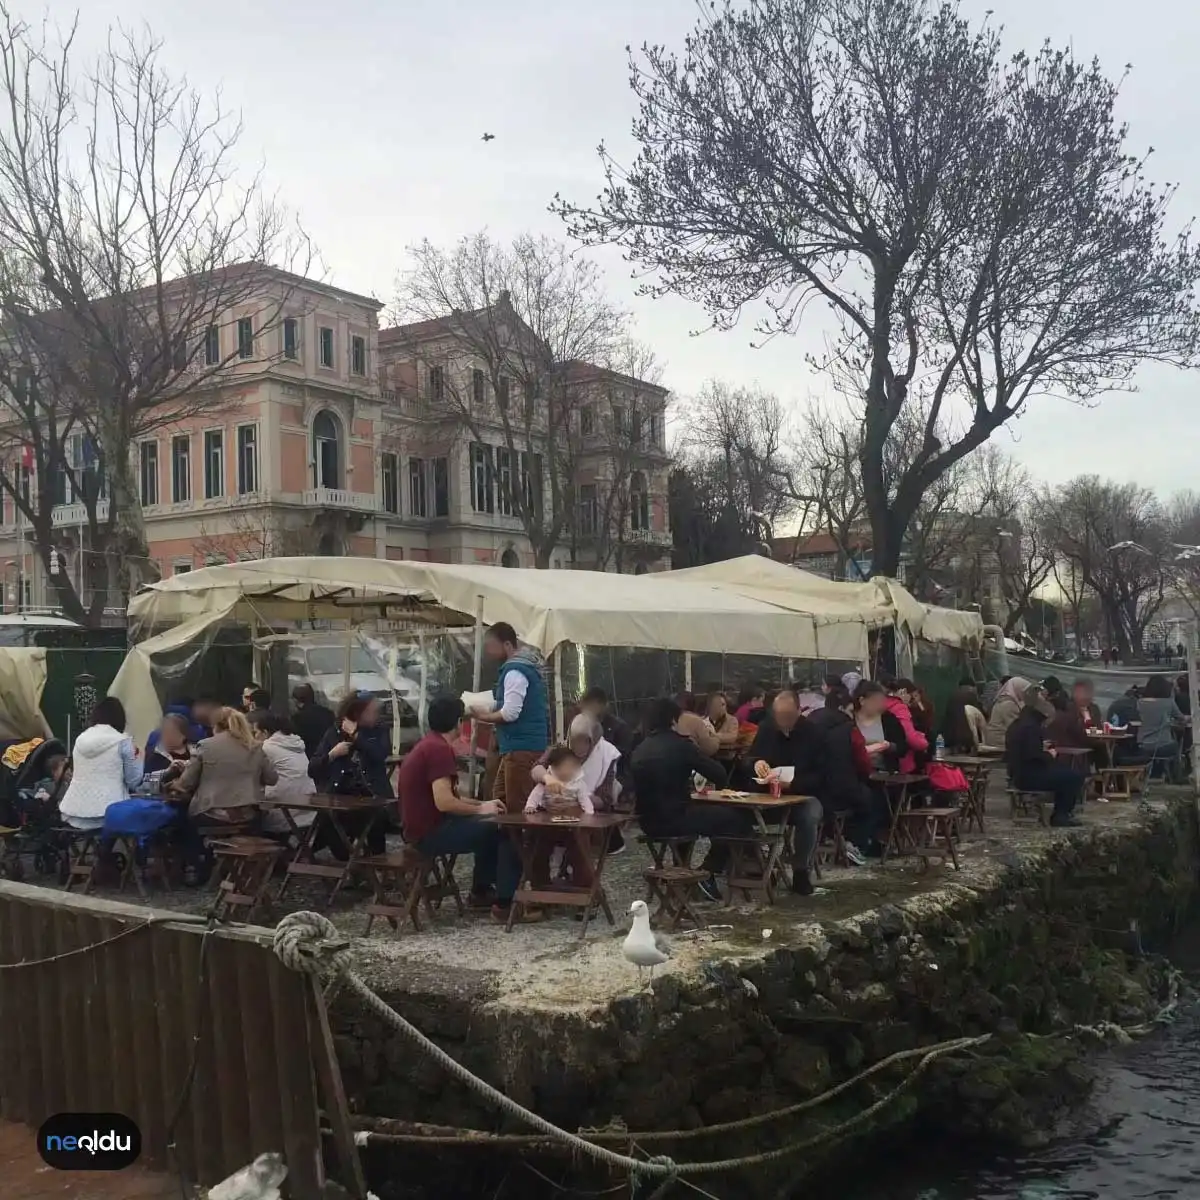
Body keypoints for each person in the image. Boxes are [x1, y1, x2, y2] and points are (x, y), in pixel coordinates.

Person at [399, 695, 531, 924]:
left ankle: (481, 890)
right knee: (505, 830)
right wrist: (481, 810)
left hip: (422, 827)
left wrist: (483, 805)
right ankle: (505, 902)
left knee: (490, 823)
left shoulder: (427, 744)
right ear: (459, 722)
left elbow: (451, 799)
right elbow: (445, 802)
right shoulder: (438, 750)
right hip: (430, 833)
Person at [630, 697, 747, 902]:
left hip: (647, 822)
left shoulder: (639, 749)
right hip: (676, 818)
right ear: (674, 720)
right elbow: (718, 774)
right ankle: (708, 872)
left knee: (691, 815)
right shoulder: (681, 745)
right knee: (735, 819)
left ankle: (682, 872)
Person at [743, 688, 824, 895]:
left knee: (811, 814)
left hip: (800, 796)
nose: (783, 721)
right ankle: (758, 864)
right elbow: (749, 759)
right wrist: (756, 764)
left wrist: (794, 783)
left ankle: (800, 869)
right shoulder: (767, 729)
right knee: (737, 813)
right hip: (768, 795)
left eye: (787, 716)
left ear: (799, 711)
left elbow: (823, 776)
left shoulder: (814, 734)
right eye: (779, 716)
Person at [471, 623, 550, 813]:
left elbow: (510, 713)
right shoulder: (521, 668)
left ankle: (525, 841)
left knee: (519, 806)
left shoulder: (515, 671)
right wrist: (487, 706)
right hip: (517, 746)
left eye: (491, 646)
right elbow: (510, 704)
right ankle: (508, 840)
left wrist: (482, 715)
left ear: (507, 645)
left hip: (521, 747)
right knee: (501, 799)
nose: (488, 652)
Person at [308, 694, 393, 855]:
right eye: (372, 711)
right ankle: (347, 863)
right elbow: (312, 769)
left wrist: (356, 735)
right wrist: (332, 755)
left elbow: (379, 754)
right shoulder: (334, 732)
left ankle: (375, 863)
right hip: (340, 796)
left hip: (373, 796)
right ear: (358, 713)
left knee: (375, 821)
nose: (377, 715)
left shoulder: (379, 730)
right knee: (328, 822)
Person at [805, 688, 877, 862]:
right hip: (840, 791)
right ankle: (857, 845)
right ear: (843, 708)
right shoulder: (849, 730)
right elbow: (863, 763)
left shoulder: (808, 722)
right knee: (870, 800)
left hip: (809, 791)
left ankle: (829, 838)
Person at [173, 707, 277, 825]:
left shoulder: (205, 745)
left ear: (216, 726)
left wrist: (174, 784)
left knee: (182, 826)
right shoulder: (255, 746)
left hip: (212, 814)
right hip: (249, 814)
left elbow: (187, 783)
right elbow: (272, 779)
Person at [59, 697, 144, 830]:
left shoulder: (80, 740)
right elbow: (134, 780)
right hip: (109, 814)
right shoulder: (123, 742)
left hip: (73, 813)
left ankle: (104, 850)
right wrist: (139, 757)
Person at [1005, 688, 1083, 827]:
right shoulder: (1030, 728)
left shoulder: (1019, 724)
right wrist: (1048, 754)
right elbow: (1033, 755)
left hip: (1018, 773)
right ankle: (1061, 815)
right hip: (1028, 776)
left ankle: (1060, 813)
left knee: (1065, 772)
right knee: (1073, 777)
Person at [251, 709, 317, 835]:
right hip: (307, 811)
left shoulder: (266, 747)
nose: (252, 737)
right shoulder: (295, 744)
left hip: (282, 813)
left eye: (255, 733)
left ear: (265, 733)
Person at [1137, 675, 1186, 781]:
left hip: (1143, 745)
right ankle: (1176, 777)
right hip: (1164, 745)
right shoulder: (1168, 703)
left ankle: (1155, 774)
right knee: (1176, 746)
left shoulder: (1140, 703)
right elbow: (1181, 718)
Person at [853, 681, 908, 772]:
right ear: (862, 701)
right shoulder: (849, 720)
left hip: (883, 774)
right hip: (856, 774)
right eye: (875, 701)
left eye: (882, 700)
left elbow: (902, 747)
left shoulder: (888, 719)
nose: (880, 705)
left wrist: (889, 746)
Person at [525, 746, 594, 814]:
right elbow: (536, 794)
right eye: (565, 766)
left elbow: (585, 800)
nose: (569, 771)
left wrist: (589, 813)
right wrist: (530, 806)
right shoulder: (547, 781)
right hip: (547, 813)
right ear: (554, 768)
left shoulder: (579, 783)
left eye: (572, 766)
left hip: (572, 814)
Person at [884, 679, 929, 774]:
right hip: (902, 761)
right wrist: (924, 742)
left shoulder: (883, 705)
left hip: (883, 761)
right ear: (904, 692)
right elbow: (909, 736)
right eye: (911, 695)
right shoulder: (900, 708)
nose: (911, 699)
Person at [144, 713, 198, 791]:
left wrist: (188, 770)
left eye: (171, 731)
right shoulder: (155, 756)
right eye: (163, 731)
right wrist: (167, 772)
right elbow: (144, 787)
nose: (166, 735)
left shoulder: (197, 755)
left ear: (183, 735)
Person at [577, 687, 633, 760]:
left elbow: (624, 756)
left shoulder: (619, 728)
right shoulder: (585, 729)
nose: (584, 712)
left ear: (599, 704)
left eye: (588, 706)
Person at [985, 677, 1031, 750]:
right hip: (1000, 741)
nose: (1026, 694)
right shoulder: (1009, 704)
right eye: (1024, 691)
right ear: (1017, 689)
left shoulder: (1003, 700)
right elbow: (1015, 728)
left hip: (994, 740)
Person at [291, 683, 335, 758]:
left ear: (297, 701)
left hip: (307, 757)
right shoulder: (328, 713)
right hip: (328, 755)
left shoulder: (297, 718)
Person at [941, 684, 987, 753]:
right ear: (972, 687)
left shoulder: (953, 696)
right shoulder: (971, 697)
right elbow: (979, 714)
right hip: (967, 736)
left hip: (950, 735)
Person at [674, 692, 721, 756]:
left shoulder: (669, 719)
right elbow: (709, 748)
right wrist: (716, 740)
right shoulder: (696, 720)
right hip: (691, 761)